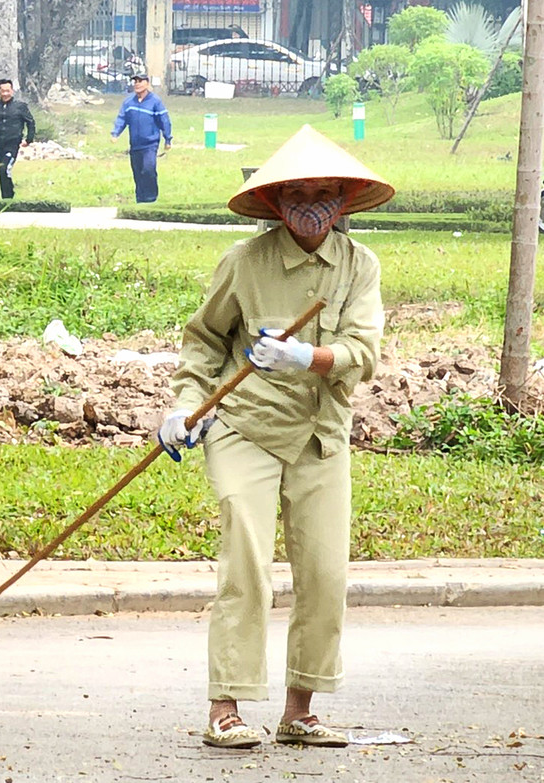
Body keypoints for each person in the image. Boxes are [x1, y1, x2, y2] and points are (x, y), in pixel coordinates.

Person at [154, 125, 393, 750]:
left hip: (321, 435)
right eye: (298, 192)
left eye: (325, 191)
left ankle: (300, 710)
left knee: (323, 573)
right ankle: (225, 708)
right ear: (276, 202)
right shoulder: (245, 263)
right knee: (247, 563)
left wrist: (307, 357)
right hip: (245, 428)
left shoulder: (359, 266)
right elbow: (204, 343)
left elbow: (364, 353)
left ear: (342, 201)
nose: (312, 203)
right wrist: (183, 409)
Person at [110, 73, 171, 203]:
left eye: (140, 81)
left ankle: (150, 198)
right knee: (137, 172)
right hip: (135, 144)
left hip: (150, 144)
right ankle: (140, 199)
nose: (137, 84)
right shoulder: (128, 102)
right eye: (135, 81)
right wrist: (115, 133)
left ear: (147, 84)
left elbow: (164, 120)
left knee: (148, 169)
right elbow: (122, 119)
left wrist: (168, 139)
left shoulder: (155, 101)